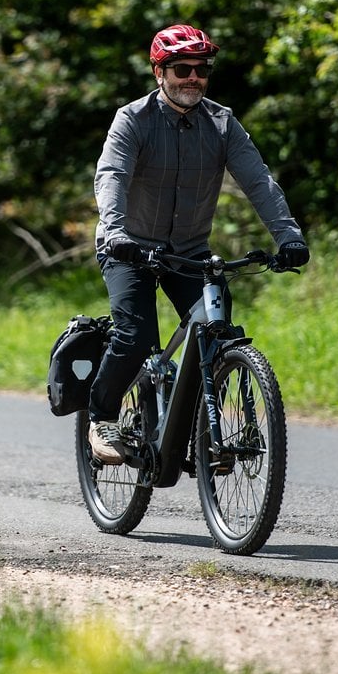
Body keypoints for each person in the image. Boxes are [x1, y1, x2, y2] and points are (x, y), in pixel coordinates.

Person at [88, 23, 310, 464]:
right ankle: (102, 418)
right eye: (182, 68)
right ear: (159, 72)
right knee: (135, 336)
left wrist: (289, 236)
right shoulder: (133, 120)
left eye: (201, 69)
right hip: (128, 247)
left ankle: (205, 431)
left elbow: (259, 182)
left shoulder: (222, 123)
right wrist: (114, 232)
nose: (193, 77)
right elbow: (111, 176)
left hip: (187, 252)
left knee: (216, 329)